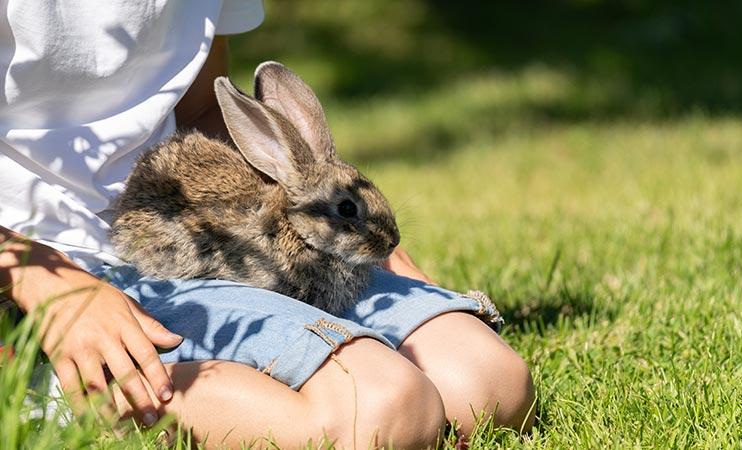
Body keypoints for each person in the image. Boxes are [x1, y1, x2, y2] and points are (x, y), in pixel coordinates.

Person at [0, 1, 535, 448]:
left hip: (184, 245)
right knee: (384, 409)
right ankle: (51, 398)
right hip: (42, 263)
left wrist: (344, 222)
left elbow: (203, 107)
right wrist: (44, 281)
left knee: (490, 385)